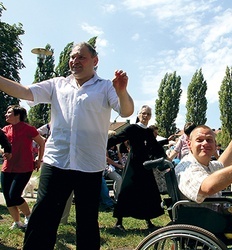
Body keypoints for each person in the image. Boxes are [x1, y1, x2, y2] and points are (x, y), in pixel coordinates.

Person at [0, 42, 134, 249]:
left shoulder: (106, 87)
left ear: (95, 61)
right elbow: (25, 91)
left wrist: (122, 91)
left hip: (89, 166)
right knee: (42, 219)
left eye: (81, 57)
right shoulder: (57, 84)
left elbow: (126, 111)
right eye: (72, 57)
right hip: (56, 163)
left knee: (87, 223)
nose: (75, 61)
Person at [108, 105, 166, 231]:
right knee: (126, 190)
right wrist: (101, 144)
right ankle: (119, 222)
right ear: (139, 115)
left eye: (148, 114)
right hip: (133, 164)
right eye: (143, 113)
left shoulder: (149, 132)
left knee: (147, 191)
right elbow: (117, 138)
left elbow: (156, 148)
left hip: (145, 165)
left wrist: (164, 158)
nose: (146, 116)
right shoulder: (132, 128)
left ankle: (148, 220)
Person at [1, 105, 45, 230]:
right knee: (8, 198)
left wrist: (39, 159)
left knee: (14, 195)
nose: (6, 114)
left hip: (24, 167)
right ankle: (17, 222)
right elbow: (2, 146)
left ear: (17, 115)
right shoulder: (5, 129)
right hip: (7, 168)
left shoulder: (29, 129)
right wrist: (3, 151)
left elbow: (41, 143)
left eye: (9, 112)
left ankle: (29, 216)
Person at [105, 131, 123, 201]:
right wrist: (117, 165)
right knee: (118, 179)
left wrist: (122, 164)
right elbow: (107, 159)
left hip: (117, 165)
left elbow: (120, 157)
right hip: (109, 167)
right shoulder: (105, 146)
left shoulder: (116, 147)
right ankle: (117, 198)